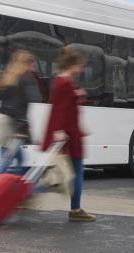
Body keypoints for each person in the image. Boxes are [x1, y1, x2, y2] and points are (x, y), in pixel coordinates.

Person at [41, 46, 96, 222]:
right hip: (69, 135)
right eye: (79, 66)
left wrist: (77, 94)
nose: (80, 70)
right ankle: (75, 209)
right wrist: (59, 132)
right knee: (75, 172)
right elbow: (61, 110)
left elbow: (60, 107)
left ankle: (75, 208)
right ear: (72, 65)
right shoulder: (64, 84)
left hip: (69, 133)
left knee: (66, 173)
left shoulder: (61, 81)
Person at [0, 50, 42, 174]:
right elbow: (36, 98)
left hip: (0, 121)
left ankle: (17, 188)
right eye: (32, 64)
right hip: (13, 124)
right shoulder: (26, 79)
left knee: (14, 157)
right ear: (26, 64)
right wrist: (20, 127)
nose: (33, 67)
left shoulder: (7, 77)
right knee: (6, 161)